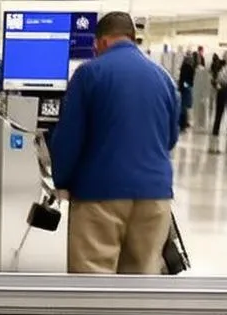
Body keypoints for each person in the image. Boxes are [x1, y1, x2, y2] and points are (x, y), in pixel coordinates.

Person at [50, 11, 178, 275]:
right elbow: (171, 138)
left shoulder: (89, 74)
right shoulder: (164, 78)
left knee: (92, 277)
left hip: (99, 194)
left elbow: (69, 137)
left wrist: (61, 181)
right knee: (142, 278)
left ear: (103, 41)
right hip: (154, 196)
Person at [177, 52, 195, 132]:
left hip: (184, 88)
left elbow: (183, 79)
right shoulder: (190, 67)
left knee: (183, 107)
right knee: (185, 107)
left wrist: (182, 87)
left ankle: (183, 123)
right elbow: (190, 80)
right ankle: (184, 123)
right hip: (187, 88)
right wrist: (187, 86)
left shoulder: (184, 67)